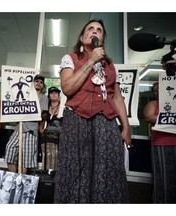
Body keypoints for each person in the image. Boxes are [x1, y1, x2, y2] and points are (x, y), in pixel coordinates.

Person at [54, 19, 131, 204]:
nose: (95, 32)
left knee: (108, 171)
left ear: (102, 39)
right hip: (77, 121)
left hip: (106, 123)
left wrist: (126, 128)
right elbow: (68, 88)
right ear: (82, 38)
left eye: (99, 30)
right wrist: (91, 61)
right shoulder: (70, 58)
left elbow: (117, 97)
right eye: (90, 29)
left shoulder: (110, 66)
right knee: (75, 169)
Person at [4, 74, 48, 174]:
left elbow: (41, 113)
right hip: (18, 127)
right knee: (10, 149)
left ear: (43, 86)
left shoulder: (44, 98)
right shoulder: (24, 95)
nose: (39, 83)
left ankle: (21, 181)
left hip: (31, 130)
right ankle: (12, 178)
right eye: (37, 81)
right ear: (33, 83)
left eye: (41, 82)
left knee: (26, 158)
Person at [143, 81, 176, 203]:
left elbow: (156, 118)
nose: (157, 93)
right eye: (155, 91)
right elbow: (149, 117)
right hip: (161, 144)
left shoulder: (175, 102)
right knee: (163, 180)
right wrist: (173, 117)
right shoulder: (153, 104)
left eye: (159, 89)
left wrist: (164, 117)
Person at [39, 86, 62, 171]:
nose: (54, 94)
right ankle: (46, 175)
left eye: (56, 93)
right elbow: (42, 119)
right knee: (46, 156)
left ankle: (55, 176)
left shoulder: (62, 107)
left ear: (59, 95)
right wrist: (41, 129)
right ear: (49, 95)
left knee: (56, 157)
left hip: (58, 137)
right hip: (46, 136)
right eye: (52, 93)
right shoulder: (46, 106)